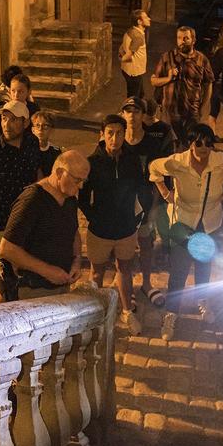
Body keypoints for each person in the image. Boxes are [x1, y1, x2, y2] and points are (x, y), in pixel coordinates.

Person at [149, 124, 223, 340]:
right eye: (198, 143)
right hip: (184, 222)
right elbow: (154, 168)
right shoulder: (177, 162)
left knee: (203, 266)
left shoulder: (219, 161)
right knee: (179, 270)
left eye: (208, 143)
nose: (203, 147)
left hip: (209, 222)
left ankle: (202, 301)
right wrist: (165, 193)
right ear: (190, 144)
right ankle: (171, 313)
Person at [79, 114, 144, 335]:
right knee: (96, 273)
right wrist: (94, 217)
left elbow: (141, 189)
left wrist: (136, 218)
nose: (114, 138)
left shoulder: (132, 160)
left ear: (124, 135)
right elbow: (83, 197)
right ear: (102, 134)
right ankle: (93, 316)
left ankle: (127, 311)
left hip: (126, 228)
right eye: (110, 133)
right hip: (100, 230)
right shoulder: (92, 162)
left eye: (119, 133)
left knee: (125, 269)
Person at [0, 150, 88, 300]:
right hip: (34, 289)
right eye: (77, 180)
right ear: (59, 173)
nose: (81, 186)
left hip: (62, 284)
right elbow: (7, 249)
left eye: (84, 180)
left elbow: (73, 231)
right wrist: (49, 272)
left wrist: (77, 259)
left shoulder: (69, 197)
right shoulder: (32, 200)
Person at [0, 100, 42, 303]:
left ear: (25, 123)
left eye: (13, 120)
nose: (6, 124)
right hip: (1, 226)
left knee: (24, 279)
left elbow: (37, 175)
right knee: (3, 285)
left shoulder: (32, 144)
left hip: (26, 224)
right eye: (4, 118)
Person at [121, 97, 174, 307]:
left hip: (144, 201)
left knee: (145, 244)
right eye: (128, 111)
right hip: (122, 205)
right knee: (125, 248)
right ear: (123, 114)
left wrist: (154, 208)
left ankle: (146, 283)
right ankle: (127, 286)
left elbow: (157, 178)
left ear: (143, 115)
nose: (132, 116)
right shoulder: (117, 141)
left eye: (136, 111)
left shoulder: (152, 144)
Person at [151, 26, 214, 143]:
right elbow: (154, 81)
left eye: (186, 38)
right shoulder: (167, 57)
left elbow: (208, 85)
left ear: (193, 40)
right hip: (169, 112)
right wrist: (168, 78)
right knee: (169, 145)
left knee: (190, 145)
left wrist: (202, 108)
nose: (182, 41)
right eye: (179, 38)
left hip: (192, 113)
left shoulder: (202, 60)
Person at [0, 73, 40, 140]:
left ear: (28, 92)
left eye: (20, 91)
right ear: (9, 91)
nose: (16, 95)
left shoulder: (33, 109)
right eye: (13, 91)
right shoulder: (2, 110)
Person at [119, 9, 151, 99]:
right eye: (146, 17)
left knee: (139, 94)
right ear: (139, 22)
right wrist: (122, 59)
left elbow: (121, 48)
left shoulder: (130, 31)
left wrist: (122, 59)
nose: (149, 19)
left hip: (129, 70)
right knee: (134, 98)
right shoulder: (138, 37)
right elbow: (128, 55)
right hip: (134, 72)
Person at [32, 110, 62, 176]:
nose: (40, 129)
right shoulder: (26, 150)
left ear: (52, 130)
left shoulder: (55, 151)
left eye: (45, 126)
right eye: (37, 125)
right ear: (33, 130)